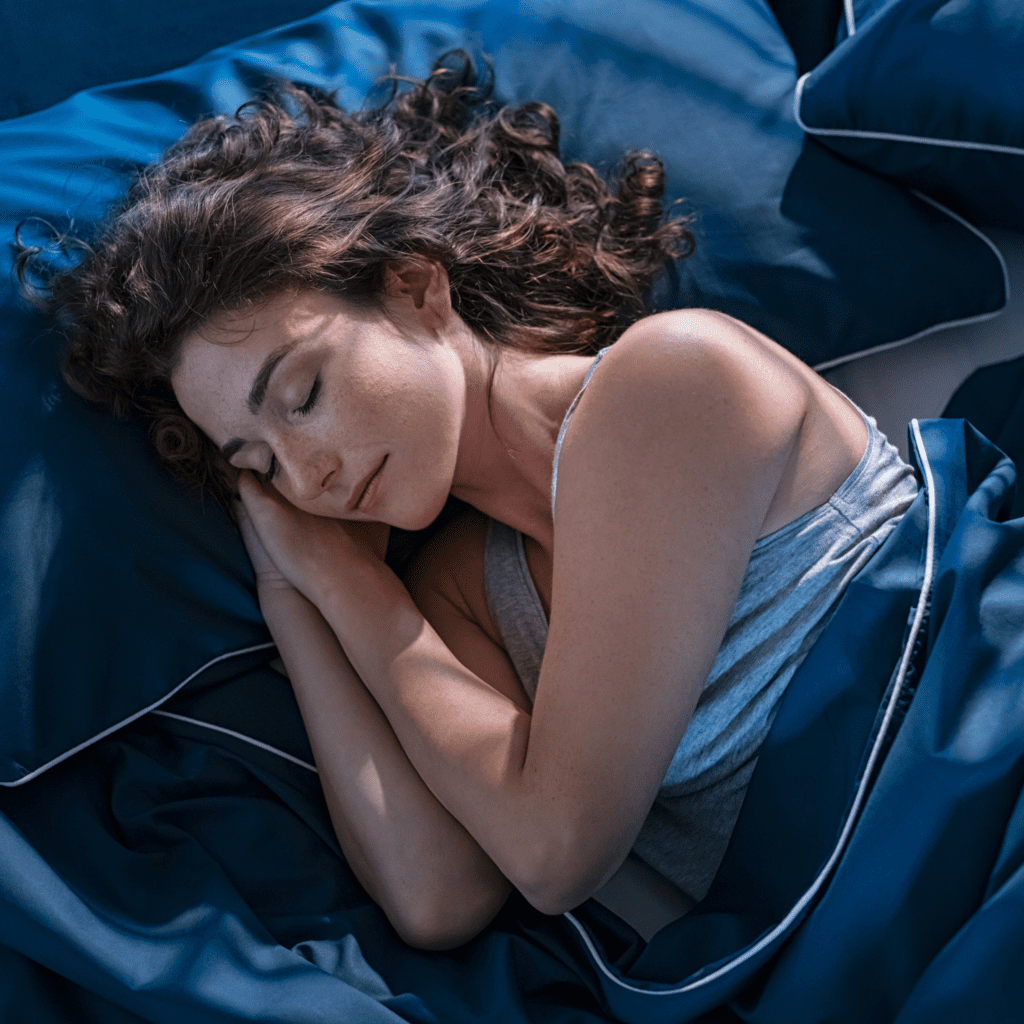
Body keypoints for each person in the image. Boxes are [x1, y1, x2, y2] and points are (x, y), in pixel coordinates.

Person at [19, 57, 919, 951]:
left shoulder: (672, 380)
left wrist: (353, 592)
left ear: (416, 290)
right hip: (903, 942)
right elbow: (436, 894)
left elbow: (554, 851)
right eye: (257, 464)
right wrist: (298, 595)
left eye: (302, 396)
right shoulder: (464, 595)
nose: (306, 478)